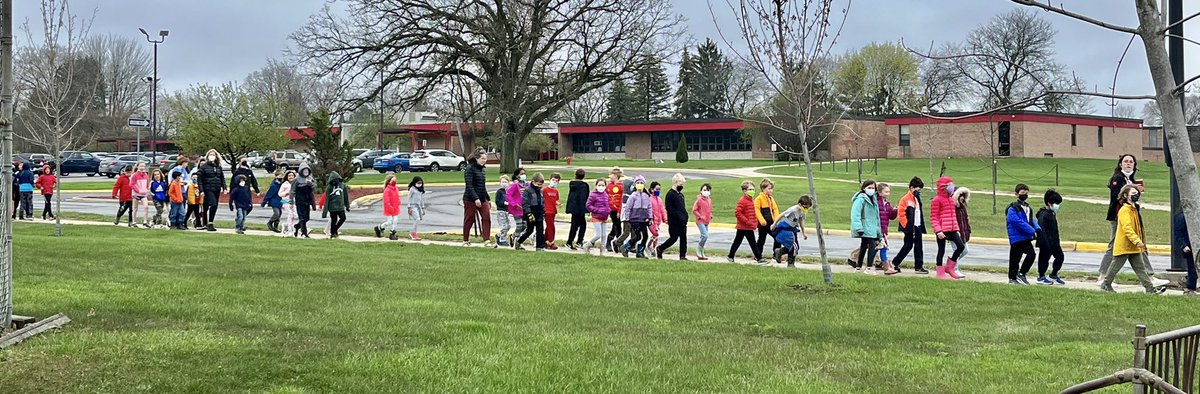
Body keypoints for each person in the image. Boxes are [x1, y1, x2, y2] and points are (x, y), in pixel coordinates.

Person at [1100, 185, 1156, 293]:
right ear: (1125, 196)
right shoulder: (1124, 210)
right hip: (1125, 246)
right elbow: (1127, 228)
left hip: (1134, 247)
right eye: (1133, 193)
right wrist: (1137, 240)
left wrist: (1140, 241)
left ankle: (1150, 288)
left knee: (1140, 269)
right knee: (1115, 268)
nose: (1136, 195)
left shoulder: (1134, 209)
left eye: (1137, 193)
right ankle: (1106, 284)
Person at [1101, 154, 1145, 277]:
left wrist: (1137, 191)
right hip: (1118, 215)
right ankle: (1103, 275)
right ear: (1120, 164)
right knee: (1114, 244)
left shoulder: (1131, 179)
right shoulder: (1118, 178)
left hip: (1131, 214)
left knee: (1139, 241)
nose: (1128, 163)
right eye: (1126, 161)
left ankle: (1150, 276)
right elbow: (1116, 196)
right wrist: (1129, 193)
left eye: (1131, 161)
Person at [930, 177, 965, 280]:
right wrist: (938, 231)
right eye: (950, 185)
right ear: (943, 187)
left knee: (961, 246)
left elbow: (953, 216)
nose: (952, 187)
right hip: (942, 230)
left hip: (952, 229)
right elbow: (934, 217)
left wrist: (957, 229)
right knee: (941, 250)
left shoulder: (950, 199)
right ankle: (939, 271)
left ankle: (950, 267)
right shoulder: (937, 200)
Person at [1006, 183, 1040, 285]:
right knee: (1015, 259)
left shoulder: (1028, 208)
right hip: (1016, 237)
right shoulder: (1013, 208)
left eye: (1026, 193)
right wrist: (1031, 230)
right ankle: (1012, 278)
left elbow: (1030, 220)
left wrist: (1037, 228)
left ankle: (1021, 274)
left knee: (1031, 255)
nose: (1024, 194)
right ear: (1016, 194)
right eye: (1022, 192)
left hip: (1025, 237)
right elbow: (1016, 221)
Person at [892, 177, 927, 274]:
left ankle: (919, 266)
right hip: (909, 226)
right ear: (912, 188)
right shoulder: (905, 199)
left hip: (917, 225)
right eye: (918, 189)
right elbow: (901, 213)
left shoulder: (916, 198)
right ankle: (895, 262)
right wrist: (906, 225)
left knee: (919, 246)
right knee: (908, 245)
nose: (919, 192)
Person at [850, 179, 882, 275]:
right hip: (865, 227)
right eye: (869, 188)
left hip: (872, 227)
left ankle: (858, 267)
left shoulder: (874, 199)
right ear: (864, 188)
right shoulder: (860, 199)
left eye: (873, 188)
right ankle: (869, 268)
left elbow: (876, 216)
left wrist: (878, 230)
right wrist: (858, 228)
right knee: (872, 246)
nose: (871, 190)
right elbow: (855, 214)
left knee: (864, 246)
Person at [462, 149, 492, 247]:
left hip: (482, 198)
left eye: (485, 159)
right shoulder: (469, 169)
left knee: (486, 218)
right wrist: (475, 198)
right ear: (476, 158)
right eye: (482, 158)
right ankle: (465, 240)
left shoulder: (482, 169)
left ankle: (487, 240)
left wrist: (488, 199)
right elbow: (469, 185)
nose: (484, 160)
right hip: (470, 199)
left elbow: (482, 186)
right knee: (469, 219)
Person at [772, 196, 812, 268]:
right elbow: (781, 215)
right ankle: (790, 263)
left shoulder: (802, 212)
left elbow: (801, 221)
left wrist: (804, 232)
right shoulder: (793, 210)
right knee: (794, 246)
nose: (806, 209)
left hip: (793, 229)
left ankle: (780, 251)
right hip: (786, 228)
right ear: (800, 204)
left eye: (807, 208)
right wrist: (774, 224)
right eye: (805, 207)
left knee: (796, 247)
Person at [728, 181, 763, 263]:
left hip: (748, 226)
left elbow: (752, 213)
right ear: (744, 191)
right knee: (742, 242)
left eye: (753, 189)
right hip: (743, 226)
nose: (752, 191)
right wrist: (747, 221)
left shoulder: (751, 200)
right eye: (750, 189)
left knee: (749, 242)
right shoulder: (742, 200)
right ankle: (759, 258)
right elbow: (738, 213)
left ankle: (730, 256)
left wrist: (754, 223)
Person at [1036, 189, 1065, 285]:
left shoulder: (1052, 213)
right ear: (1049, 203)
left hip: (1054, 241)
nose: (1057, 206)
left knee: (1060, 257)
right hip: (1046, 242)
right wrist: (1045, 242)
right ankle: (1041, 276)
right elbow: (1042, 229)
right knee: (1044, 259)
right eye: (1056, 203)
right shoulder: (1043, 215)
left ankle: (1053, 275)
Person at [657, 173, 688, 260]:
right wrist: (678, 216)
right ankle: (660, 248)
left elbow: (682, 208)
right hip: (674, 221)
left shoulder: (680, 195)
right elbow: (669, 208)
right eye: (680, 184)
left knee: (683, 238)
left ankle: (682, 256)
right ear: (675, 182)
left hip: (682, 221)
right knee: (673, 238)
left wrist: (685, 216)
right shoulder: (670, 194)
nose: (681, 186)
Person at [622, 176, 652, 259]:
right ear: (635, 185)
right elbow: (628, 208)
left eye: (641, 183)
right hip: (634, 219)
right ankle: (626, 247)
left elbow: (649, 208)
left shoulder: (646, 196)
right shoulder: (633, 196)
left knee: (645, 236)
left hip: (643, 219)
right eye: (638, 183)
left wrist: (650, 218)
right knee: (638, 236)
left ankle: (640, 251)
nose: (640, 184)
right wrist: (627, 218)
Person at [516, 173, 547, 251]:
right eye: (538, 184)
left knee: (540, 230)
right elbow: (525, 203)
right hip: (531, 212)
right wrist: (529, 213)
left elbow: (542, 201)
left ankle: (540, 246)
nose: (539, 186)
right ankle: (519, 241)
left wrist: (543, 210)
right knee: (530, 230)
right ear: (533, 182)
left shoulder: (540, 191)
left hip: (539, 212)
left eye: (541, 184)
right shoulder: (528, 190)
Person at [197, 150, 226, 232]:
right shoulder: (204, 167)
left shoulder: (218, 167)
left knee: (212, 205)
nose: (212, 156)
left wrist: (224, 187)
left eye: (213, 155)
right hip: (208, 188)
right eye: (210, 155)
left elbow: (222, 178)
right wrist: (201, 190)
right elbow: (200, 179)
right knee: (212, 204)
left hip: (217, 188)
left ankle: (208, 222)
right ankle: (209, 223)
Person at [1172, 211, 1199, 296]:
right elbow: (1178, 233)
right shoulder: (1182, 217)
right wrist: (1184, 245)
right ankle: (1190, 288)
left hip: (1195, 245)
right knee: (1192, 268)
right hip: (1190, 246)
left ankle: (1188, 282)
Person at [584, 178, 612, 255]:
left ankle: (602, 251)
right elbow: (588, 205)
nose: (601, 187)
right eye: (599, 185)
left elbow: (608, 204)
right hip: (596, 217)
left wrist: (608, 210)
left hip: (604, 217)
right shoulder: (593, 194)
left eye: (603, 185)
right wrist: (597, 210)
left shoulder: (606, 194)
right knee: (598, 235)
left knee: (604, 235)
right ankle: (587, 245)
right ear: (596, 185)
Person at [754, 178, 781, 257]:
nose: (771, 190)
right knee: (761, 239)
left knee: (778, 237)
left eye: (772, 189)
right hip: (763, 224)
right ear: (763, 188)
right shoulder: (759, 199)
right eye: (769, 189)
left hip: (771, 224)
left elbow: (775, 209)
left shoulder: (771, 199)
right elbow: (757, 210)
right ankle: (758, 255)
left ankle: (776, 255)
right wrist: (762, 221)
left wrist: (776, 220)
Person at [876, 184, 898, 275]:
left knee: (875, 248)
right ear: (879, 192)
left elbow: (891, 216)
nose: (888, 193)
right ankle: (886, 268)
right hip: (878, 229)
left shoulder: (887, 204)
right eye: (886, 192)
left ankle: (855, 260)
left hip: (884, 229)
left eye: (888, 192)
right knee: (883, 247)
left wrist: (895, 211)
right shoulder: (877, 203)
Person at [564, 169, 589, 250]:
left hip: (573, 208)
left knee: (576, 225)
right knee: (580, 226)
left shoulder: (572, 184)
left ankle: (574, 241)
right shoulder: (584, 186)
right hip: (580, 208)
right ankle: (574, 241)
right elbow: (583, 198)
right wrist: (585, 209)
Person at [951, 187, 972, 278]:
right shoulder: (953, 208)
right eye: (960, 196)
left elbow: (966, 220)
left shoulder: (963, 208)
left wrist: (968, 230)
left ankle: (950, 263)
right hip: (955, 233)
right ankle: (955, 269)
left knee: (965, 251)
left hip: (964, 233)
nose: (962, 198)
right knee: (957, 250)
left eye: (963, 196)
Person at [321, 171, 349, 239]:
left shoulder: (343, 185)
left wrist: (347, 206)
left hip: (341, 207)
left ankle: (334, 230)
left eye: (336, 180)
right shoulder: (329, 187)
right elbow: (327, 199)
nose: (335, 182)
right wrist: (325, 212)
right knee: (334, 220)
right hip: (332, 207)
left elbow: (346, 196)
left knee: (343, 218)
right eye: (333, 181)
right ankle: (333, 233)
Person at [292, 163, 316, 238]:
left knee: (307, 217)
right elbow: (292, 190)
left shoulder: (310, 178)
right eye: (304, 170)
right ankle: (304, 233)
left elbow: (314, 188)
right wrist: (291, 200)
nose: (305, 172)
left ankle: (297, 226)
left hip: (307, 199)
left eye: (307, 170)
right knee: (301, 217)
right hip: (299, 200)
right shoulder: (297, 179)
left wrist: (311, 184)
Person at [375, 175, 402, 240]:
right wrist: (390, 207)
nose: (394, 181)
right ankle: (379, 227)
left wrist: (399, 202)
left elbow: (397, 196)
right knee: (390, 221)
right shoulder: (387, 190)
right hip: (389, 208)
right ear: (389, 181)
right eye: (393, 180)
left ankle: (392, 232)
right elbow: (386, 201)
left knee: (395, 220)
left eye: (395, 180)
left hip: (395, 207)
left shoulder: (396, 189)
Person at [605, 167, 625, 252]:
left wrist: (620, 211)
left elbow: (621, 200)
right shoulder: (609, 186)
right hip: (611, 209)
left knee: (616, 226)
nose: (609, 176)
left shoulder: (621, 186)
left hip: (618, 210)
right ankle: (617, 243)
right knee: (617, 225)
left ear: (616, 176)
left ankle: (614, 241)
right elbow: (605, 197)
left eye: (611, 175)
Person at [505, 168, 527, 245]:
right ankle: (516, 241)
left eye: (524, 173)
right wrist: (514, 204)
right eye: (521, 174)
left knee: (524, 225)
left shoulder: (527, 185)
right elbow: (508, 194)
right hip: (517, 208)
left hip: (524, 208)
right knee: (519, 225)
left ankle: (513, 236)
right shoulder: (515, 185)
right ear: (517, 176)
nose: (523, 175)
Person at [692, 183, 713, 261]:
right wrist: (700, 216)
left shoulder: (709, 200)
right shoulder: (699, 200)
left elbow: (709, 209)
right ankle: (698, 249)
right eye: (704, 190)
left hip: (707, 221)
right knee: (705, 235)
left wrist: (710, 215)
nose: (706, 191)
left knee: (704, 237)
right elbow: (694, 210)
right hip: (700, 221)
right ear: (701, 191)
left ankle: (701, 252)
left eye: (707, 190)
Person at [543, 173, 562, 250]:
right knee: (551, 227)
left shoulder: (556, 191)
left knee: (549, 226)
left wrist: (558, 204)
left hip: (553, 210)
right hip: (547, 211)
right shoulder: (544, 190)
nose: (554, 182)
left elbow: (555, 200)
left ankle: (545, 241)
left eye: (556, 181)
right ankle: (551, 242)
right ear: (550, 180)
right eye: (553, 180)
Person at [648, 181, 666, 252]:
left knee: (656, 236)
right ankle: (649, 246)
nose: (658, 191)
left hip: (658, 221)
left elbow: (662, 210)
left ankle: (653, 248)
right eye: (657, 189)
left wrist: (665, 218)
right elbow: (649, 210)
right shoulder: (650, 199)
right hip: (652, 221)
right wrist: (650, 219)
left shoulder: (659, 200)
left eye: (659, 189)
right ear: (652, 189)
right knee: (655, 234)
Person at [493, 175, 511, 246]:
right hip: (501, 211)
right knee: (504, 226)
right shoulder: (499, 192)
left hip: (507, 211)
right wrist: (504, 203)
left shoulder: (509, 191)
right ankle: (501, 238)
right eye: (503, 182)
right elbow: (497, 202)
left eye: (505, 182)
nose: (504, 183)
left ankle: (499, 235)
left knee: (508, 226)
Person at [130, 162, 150, 227]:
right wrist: (138, 190)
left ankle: (145, 221)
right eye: (141, 166)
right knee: (135, 208)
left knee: (146, 207)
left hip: (144, 194)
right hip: (136, 194)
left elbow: (147, 183)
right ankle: (134, 222)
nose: (142, 168)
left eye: (143, 166)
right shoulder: (134, 175)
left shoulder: (146, 175)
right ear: (137, 166)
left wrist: (147, 189)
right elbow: (131, 184)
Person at [278, 171, 297, 238]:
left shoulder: (296, 184)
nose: (291, 177)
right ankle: (290, 230)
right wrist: (286, 193)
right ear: (287, 177)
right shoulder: (284, 184)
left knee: (295, 215)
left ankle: (286, 225)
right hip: (286, 201)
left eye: (292, 175)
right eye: (289, 176)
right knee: (290, 215)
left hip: (294, 201)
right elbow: (279, 194)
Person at [407, 176, 426, 240]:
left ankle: (415, 232)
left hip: (418, 206)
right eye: (418, 183)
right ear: (414, 183)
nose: (419, 184)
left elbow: (422, 199)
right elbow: (409, 198)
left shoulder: (421, 190)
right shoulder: (412, 189)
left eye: (421, 183)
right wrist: (409, 207)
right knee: (417, 218)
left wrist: (423, 208)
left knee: (418, 219)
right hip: (412, 206)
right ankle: (413, 233)